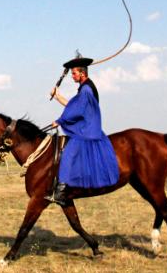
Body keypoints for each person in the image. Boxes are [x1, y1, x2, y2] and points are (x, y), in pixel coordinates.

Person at [47, 55, 119, 204]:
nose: (72, 76)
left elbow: (77, 111)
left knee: (68, 153)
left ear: (82, 73)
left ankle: (60, 192)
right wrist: (57, 96)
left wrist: (59, 121)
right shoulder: (84, 89)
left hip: (87, 130)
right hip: (87, 127)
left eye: (74, 73)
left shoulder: (86, 90)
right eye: (71, 73)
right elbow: (74, 107)